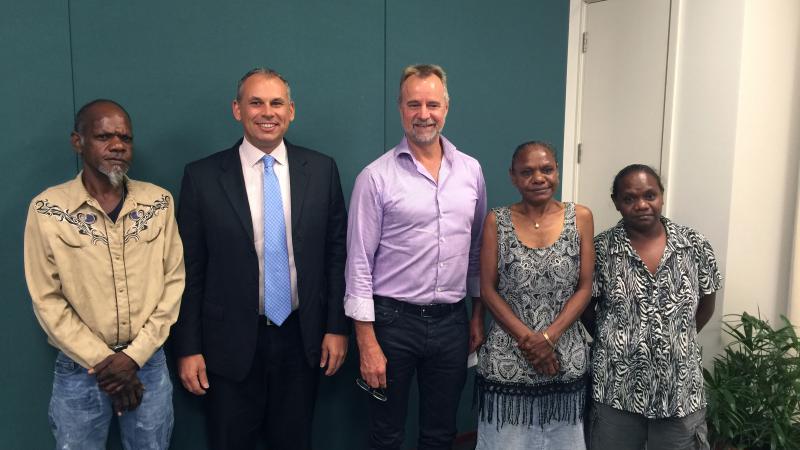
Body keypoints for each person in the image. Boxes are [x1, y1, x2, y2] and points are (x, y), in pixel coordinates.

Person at [170, 67, 349, 450]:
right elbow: (188, 270)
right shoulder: (202, 177)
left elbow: (337, 255)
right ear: (237, 109)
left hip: (303, 341)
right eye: (256, 102)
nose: (267, 112)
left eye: (276, 102)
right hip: (228, 345)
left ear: (291, 111)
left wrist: (337, 326)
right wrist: (187, 347)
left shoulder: (321, 170)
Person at [23, 99, 185, 449]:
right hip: (80, 370)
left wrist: (133, 357)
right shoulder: (48, 210)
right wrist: (104, 361)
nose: (117, 146)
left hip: (148, 365)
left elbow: (173, 282)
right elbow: (46, 298)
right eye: (104, 136)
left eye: (125, 138)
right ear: (77, 141)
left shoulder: (158, 203)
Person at [345, 63, 488, 450]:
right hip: (393, 324)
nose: (423, 114)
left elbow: (475, 250)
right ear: (400, 108)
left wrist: (476, 314)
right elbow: (358, 262)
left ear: (446, 107)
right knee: (386, 434)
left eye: (432, 104)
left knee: (440, 434)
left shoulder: (471, 171)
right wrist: (366, 342)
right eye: (414, 104)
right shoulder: (375, 178)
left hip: (451, 324)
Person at [587, 164, 722, 450]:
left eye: (650, 195)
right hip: (617, 387)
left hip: (679, 388)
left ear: (661, 196)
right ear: (616, 202)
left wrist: (676, 338)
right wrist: (619, 340)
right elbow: (586, 309)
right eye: (630, 198)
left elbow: (706, 304)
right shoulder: (600, 250)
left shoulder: (694, 245)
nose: (642, 205)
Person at [474, 141, 594, 449]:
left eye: (546, 169)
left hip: (563, 355)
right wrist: (531, 341)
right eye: (527, 172)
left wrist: (548, 339)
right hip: (509, 356)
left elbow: (584, 287)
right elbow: (488, 289)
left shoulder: (580, 217)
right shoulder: (495, 221)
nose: (538, 178)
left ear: (557, 171)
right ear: (512, 177)